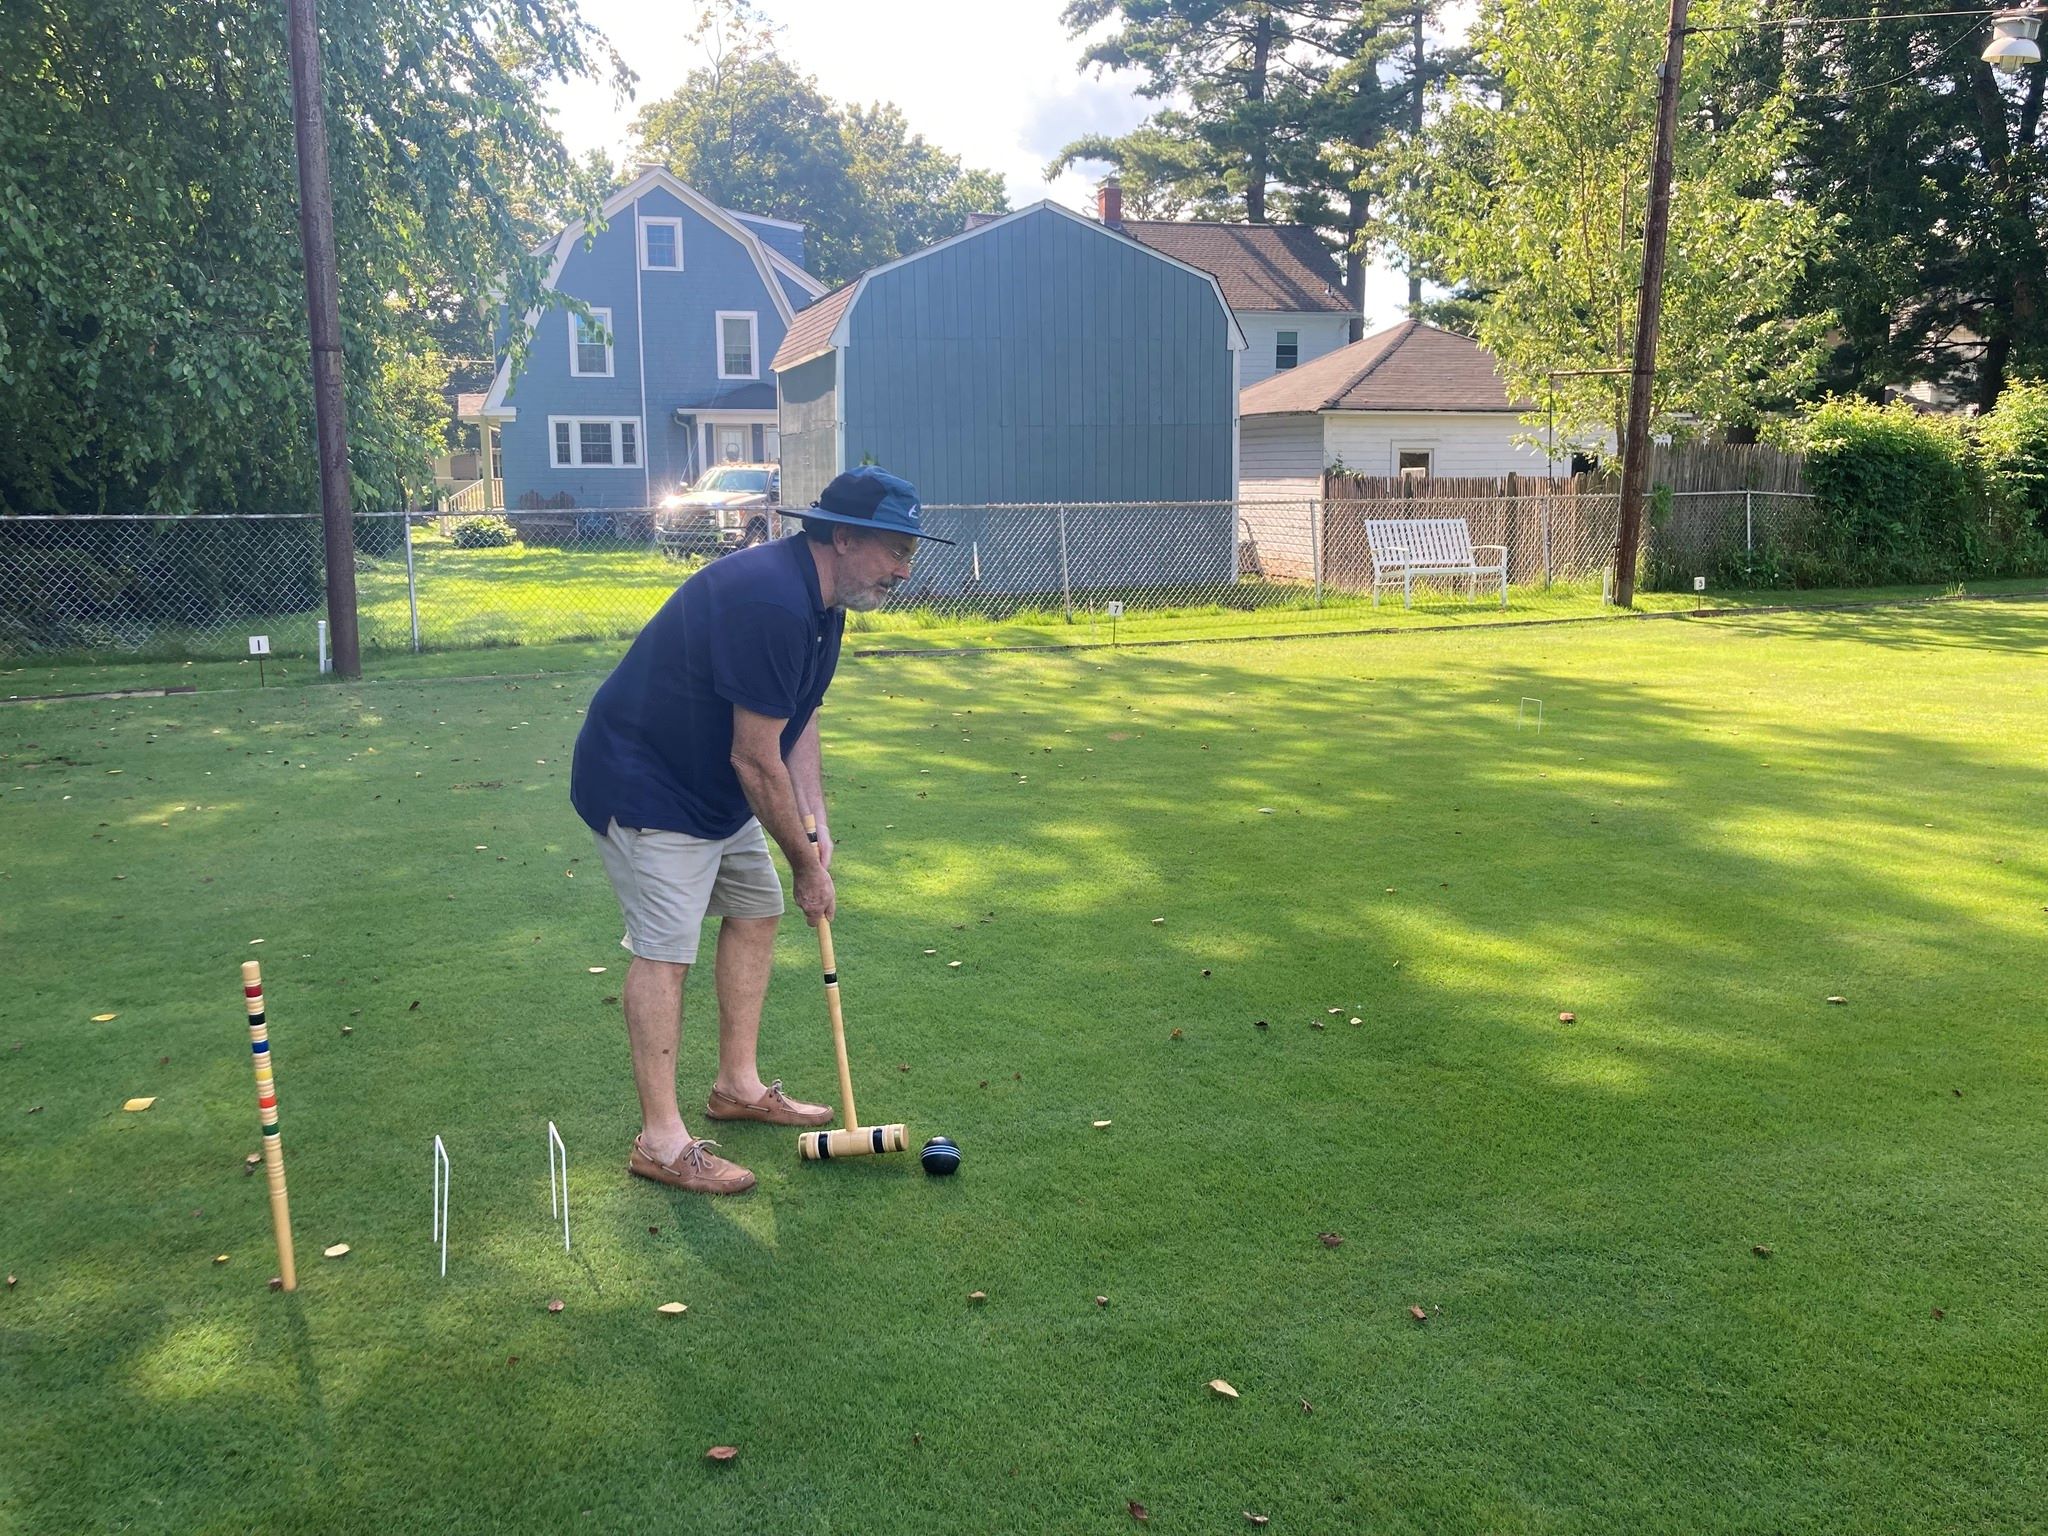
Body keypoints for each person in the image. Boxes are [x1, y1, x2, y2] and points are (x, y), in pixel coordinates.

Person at [569, 467, 951, 1194]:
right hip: (645, 780)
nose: (906, 568)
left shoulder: (825, 600)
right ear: (842, 537)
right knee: (666, 950)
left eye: (911, 553)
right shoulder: (771, 600)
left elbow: (795, 718)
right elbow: (754, 755)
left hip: (710, 780)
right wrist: (808, 866)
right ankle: (660, 1140)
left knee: (756, 908)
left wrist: (814, 821)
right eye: (896, 550)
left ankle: (736, 1087)